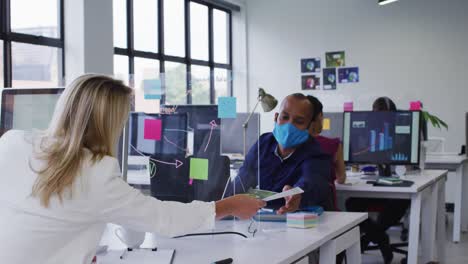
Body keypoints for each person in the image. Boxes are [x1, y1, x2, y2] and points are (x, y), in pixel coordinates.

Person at [0, 74, 265, 264]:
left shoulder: (11, 142)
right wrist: (228, 206)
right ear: (109, 123)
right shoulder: (96, 172)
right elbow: (163, 218)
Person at [227, 93, 333, 214]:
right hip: (262, 219)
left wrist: (297, 194)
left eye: (299, 121)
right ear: (276, 117)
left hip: (300, 223)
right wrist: (222, 203)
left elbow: (311, 182)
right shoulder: (264, 144)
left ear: (310, 126)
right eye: (285, 117)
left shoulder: (315, 154)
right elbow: (243, 178)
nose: (289, 125)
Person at [345, 96, 411, 264]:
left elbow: (410, 167)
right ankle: (381, 240)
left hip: (398, 190)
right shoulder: (369, 133)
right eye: (376, 115)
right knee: (352, 204)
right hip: (375, 187)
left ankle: (369, 238)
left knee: (398, 203)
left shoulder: (403, 131)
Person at [306, 95, 346, 210]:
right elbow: (341, 179)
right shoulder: (333, 145)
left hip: (296, 212)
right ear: (319, 117)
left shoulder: (290, 146)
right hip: (326, 211)